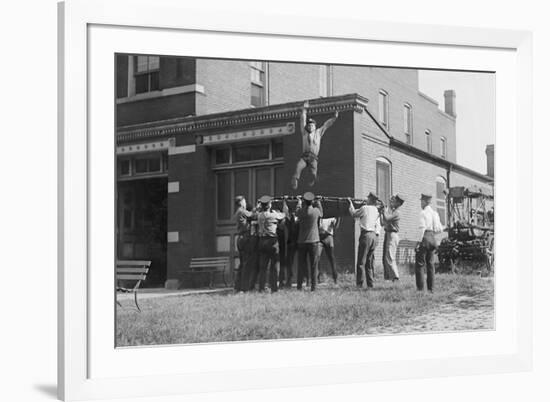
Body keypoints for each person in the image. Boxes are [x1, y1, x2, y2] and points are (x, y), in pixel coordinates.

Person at [291, 100, 339, 189]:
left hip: (313, 158)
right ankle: (295, 180)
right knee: (298, 167)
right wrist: (304, 110)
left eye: (312, 125)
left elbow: (326, 125)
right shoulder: (304, 132)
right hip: (305, 156)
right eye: (309, 126)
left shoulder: (318, 132)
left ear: (315, 126)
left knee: (313, 172)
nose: (310, 127)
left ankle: (311, 180)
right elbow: (302, 120)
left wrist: (334, 118)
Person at [255, 195, 289, 293]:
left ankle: (261, 288)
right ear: (269, 205)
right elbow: (284, 214)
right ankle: (274, 288)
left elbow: (256, 211)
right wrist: (284, 203)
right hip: (272, 241)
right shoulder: (273, 215)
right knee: (275, 266)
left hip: (262, 241)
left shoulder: (259, 215)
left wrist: (259, 204)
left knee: (263, 266)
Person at [348, 193, 381, 288]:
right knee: (369, 262)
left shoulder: (364, 208)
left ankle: (359, 284)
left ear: (370, 200)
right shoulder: (376, 210)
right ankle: (371, 284)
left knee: (361, 262)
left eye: (368, 198)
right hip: (373, 236)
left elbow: (354, 214)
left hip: (366, 235)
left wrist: (350, 203)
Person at [415, 193, 443, 292]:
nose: (420, 204)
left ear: (424, 202)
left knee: (420, 264)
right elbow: (440, 229)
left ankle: (420, 289)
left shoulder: (422, 213)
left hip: (424, 238)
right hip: (432, 238)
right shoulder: (435, 213)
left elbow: (422, 228)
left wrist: (418, 243)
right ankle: (431, 289)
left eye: (421, 201)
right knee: (430, 265)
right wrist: (432, 234)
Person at [295, 192, 323, 291]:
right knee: (314, 265)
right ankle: (313, 287)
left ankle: (299, 286)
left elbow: (296, 211)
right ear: (312, 202)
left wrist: (298, 202)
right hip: (314, 241)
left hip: (302, 241)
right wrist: (318, 201)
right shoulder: (315, 211)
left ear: (304, 201)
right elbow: (321, 213)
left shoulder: (301, 212)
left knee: (301, 265)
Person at [378, 194, 405, 282]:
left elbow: (386, 218)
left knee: (390, 256)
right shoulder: (393, 211)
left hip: (392, 235)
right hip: (388, 234)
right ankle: (389, 277)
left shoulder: (397, 212)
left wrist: (384, 210)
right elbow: (383, 222)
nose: (393, 202)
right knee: (385, 257)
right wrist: (381, 212)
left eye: (395, 201)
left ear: (399, 203)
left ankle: (396, 277)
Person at [232, 196, 254, 292]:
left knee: (242, 264)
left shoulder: (237, 212)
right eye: (244, 202)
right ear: (241, 202)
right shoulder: (242, 211)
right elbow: (253, 215)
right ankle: (244, 288)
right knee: (246, 264)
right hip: (245, 238)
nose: (246, 204)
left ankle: (237, 286)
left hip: (240, 238)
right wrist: (257, 208)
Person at [318, 217, 341, 284]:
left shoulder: (332, 216)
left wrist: (338, 219)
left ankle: (335, 279)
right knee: (317, 257)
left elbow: (335, 226)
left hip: (328, 236)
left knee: (331, 258)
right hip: (320, 236)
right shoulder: (320, 214)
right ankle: (318, 278)